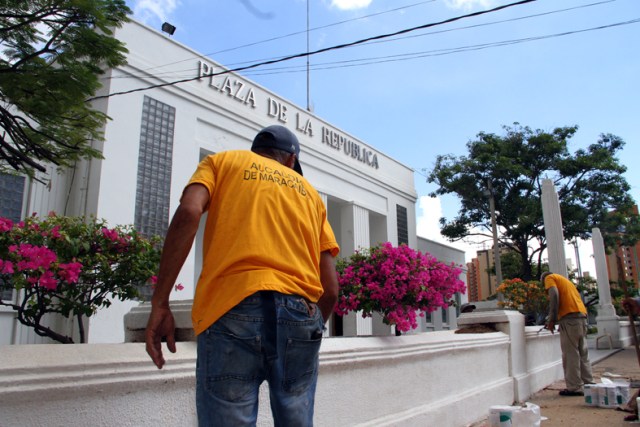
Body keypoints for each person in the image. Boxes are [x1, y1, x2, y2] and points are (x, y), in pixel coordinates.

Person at [145, 124, 340, 426]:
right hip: (300, 315)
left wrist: (160, 302)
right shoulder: (310, 195)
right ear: (291, 160)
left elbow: (189, 212)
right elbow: (330, 290)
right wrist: (312, 328)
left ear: (256, 152)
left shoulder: (223, 162)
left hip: (232, 307)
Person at [541, 271, 594, 396]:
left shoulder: (549, 278)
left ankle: (574, 388)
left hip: (570, 319)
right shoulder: (566, 281)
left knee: (570, 354)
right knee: (582, 353)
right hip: (581, 317)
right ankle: (588, 384)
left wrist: (552, 319)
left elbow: (554, 295)